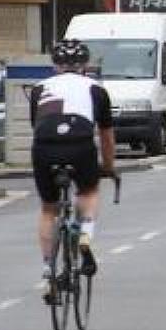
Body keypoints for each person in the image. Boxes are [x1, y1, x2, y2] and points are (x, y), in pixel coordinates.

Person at [29, 39, 116, 299]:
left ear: (55, 65)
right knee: (88, 191)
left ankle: (48, 269)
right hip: (80, 143)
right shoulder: (96, 89)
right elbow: (106, 135)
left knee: (48, 208)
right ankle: (85, 234)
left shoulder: (39, 88)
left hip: (45, 145)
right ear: (85, 65)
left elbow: (37, 126)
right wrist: (108, 167)